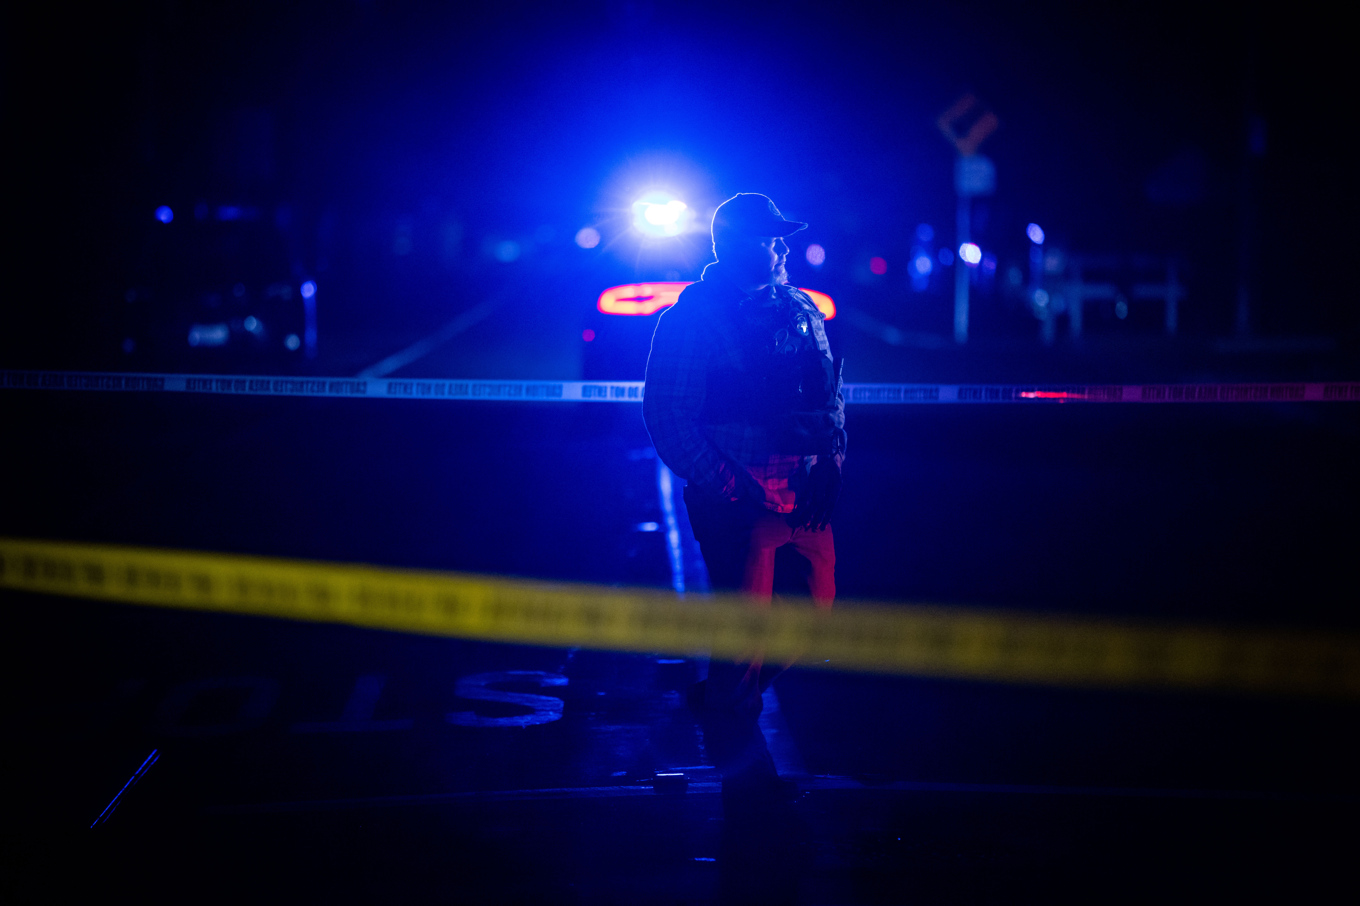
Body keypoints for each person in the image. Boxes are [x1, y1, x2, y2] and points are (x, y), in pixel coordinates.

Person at [643, 193, 846, 802]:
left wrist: (832, 463)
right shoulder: (691, 319)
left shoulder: (802, 309)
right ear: (733, 247)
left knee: (815, 613)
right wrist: (730, 488)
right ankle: (744, 800)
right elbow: (667, 415)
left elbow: (832, 394)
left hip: (804, 496)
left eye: (781, 238)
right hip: (739, 504)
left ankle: (728, 699)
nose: (782, 248)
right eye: (768, 239)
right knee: (747, 628)